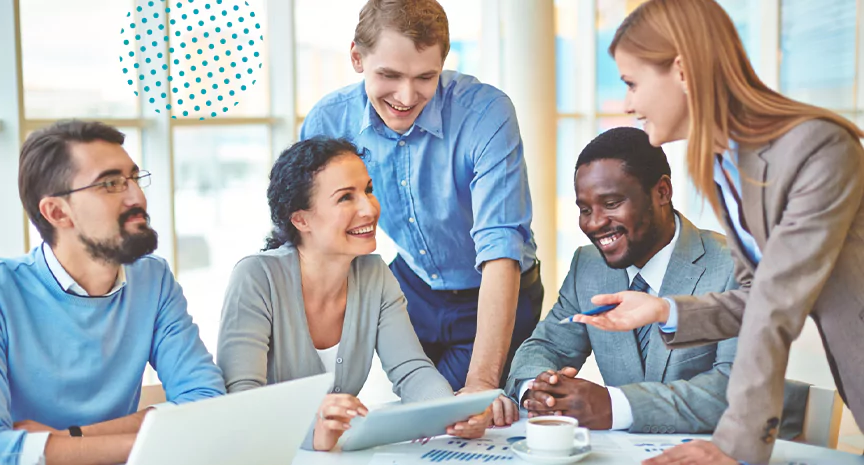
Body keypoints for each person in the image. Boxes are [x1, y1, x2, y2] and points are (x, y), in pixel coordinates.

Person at [572, 1, 864, 463]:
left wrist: (734, 444)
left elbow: (775, 308)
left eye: (632, 83)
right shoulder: (725, 163)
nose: (628, 103)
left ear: (683, 70)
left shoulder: (818, 147)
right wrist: (665, 310)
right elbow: (757, 295)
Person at [299, 0, 542, 426]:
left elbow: (501, 247)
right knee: (418, 422)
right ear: (357, 57)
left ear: (442, 64)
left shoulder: (486, 113)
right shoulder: (329, 120)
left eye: (425, 77)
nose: (406, 97)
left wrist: (481, 382)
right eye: (389, 76)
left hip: (496, 291)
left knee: (462, 419)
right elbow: (307, 240)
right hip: (412, 287)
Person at [505, 127, 807, 437]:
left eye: (611, 204)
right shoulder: (589, 265)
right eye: (585, 209)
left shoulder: (734, 266)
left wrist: (614, 406)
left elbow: (736, 387)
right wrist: (538, 390)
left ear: (662, 192)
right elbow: (546, 345)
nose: (594, 223)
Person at [0, 120, 225, 465]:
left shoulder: (153, 279)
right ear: (57, 212)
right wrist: (141, 443)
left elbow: (206, 402)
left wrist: (73, 437)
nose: (137, 197)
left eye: (134, 178)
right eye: (112, 184)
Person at [216, 137, 489, 452]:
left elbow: (412, 371)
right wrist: (311, 434)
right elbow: (241, 401)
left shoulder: (374, 274)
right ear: (301, 219)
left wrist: (453, 413)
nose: (369, 208)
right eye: (346, 197)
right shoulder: (257, 277)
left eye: (368, 190)